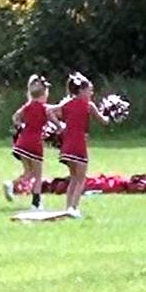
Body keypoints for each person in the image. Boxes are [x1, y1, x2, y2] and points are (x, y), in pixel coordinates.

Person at [47, 72, 111, 218]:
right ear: (81, 90)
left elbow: (49, 111)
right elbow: (104, 121)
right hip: (79, 144)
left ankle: (68, 207)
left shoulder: (67, 104)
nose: (91, 93)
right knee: (81, 178)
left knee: (73, 178)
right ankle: (74, 208)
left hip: (67, 144)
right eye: (89, 90)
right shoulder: (89, 105)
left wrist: (59, 126)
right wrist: (110, 114)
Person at [4, 74, 59, 210]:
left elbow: (15, 117)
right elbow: (56, 123)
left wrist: (21, 126)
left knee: (28, 172)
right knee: (38, 174)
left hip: (22, 141)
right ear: (44, 94)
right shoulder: (45, 109)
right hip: (35, 143)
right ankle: (36, 203)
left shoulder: (27, 106)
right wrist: (60, 129)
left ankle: (11, 185)